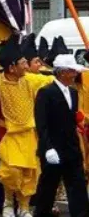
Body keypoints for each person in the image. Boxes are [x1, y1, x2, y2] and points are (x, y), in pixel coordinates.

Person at [0, 34, 52, 217]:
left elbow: (51, 81)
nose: (26, 66)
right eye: (22, 63)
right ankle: (8, 202)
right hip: (7, 132)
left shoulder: (30, 80)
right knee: (11, 171)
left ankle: (24, 207)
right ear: (12, 67)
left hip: (29, 132)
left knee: (29, 171)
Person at [34, 54, 89, 217]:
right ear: (63, 72)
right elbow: (41, 124)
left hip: (71, 148)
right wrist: (48, 148)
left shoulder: (73, 93)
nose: (75, 75)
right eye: (72, 71)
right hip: (53, 150)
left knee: (77, 187)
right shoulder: (46, 92)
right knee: (48, 189)